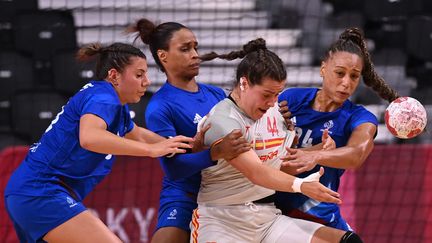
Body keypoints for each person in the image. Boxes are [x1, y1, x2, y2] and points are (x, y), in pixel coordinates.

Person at [4, 42, 194, 243]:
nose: (146, 82)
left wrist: (182, 145)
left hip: (29, 193)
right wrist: (151, 150)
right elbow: (90, 138)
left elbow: (135, 133)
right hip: (42, 193)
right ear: (114, 76)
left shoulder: (111, 103)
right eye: (139, 75)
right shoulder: (103, 97)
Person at [191, 38, 363, 243]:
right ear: (244, 83)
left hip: (267, 218)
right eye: (267, 94)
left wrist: (319, 150)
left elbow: (280, 166)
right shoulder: (222, 121)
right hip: (222, 220)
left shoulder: (276, 113)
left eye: (277, 94)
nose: (273, 101)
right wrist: (301, 185)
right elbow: (257, 172)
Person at [127, 19, 251, 243]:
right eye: (185, 49)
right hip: (186, 194)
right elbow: (173, 169)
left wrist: (277, 115)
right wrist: (214, 153)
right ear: (163, 56)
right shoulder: (160, 106)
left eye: (195, 47)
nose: (195, 54)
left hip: (227, 192)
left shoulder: (217, 95)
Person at [274, 27, 400, 231]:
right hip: (271, 207)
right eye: (340, 73)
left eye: (354, 76)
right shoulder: (291, 99)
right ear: (323, 69)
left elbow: (356, 154)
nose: (346, 83)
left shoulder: (359, 117)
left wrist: (316, 156)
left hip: (317, 215)